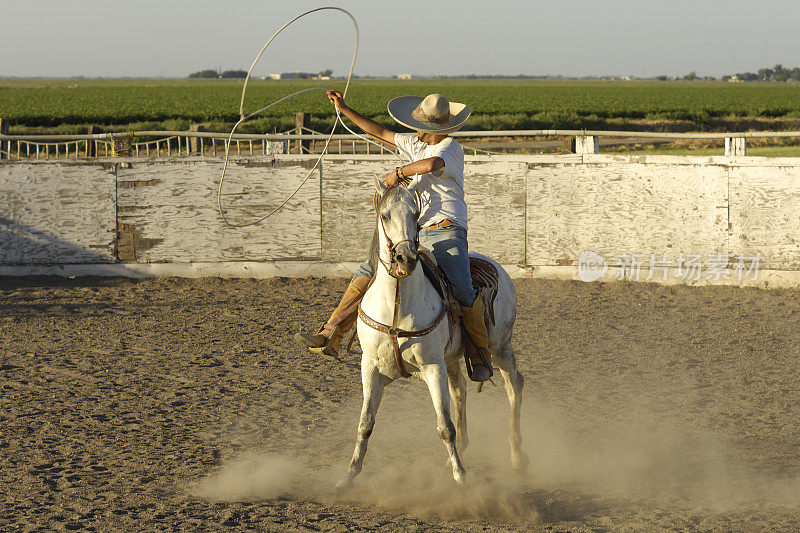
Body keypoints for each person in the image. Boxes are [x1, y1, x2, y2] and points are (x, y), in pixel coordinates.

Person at [295, 91, 492, 381]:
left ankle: (479, 353)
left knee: (462, 288)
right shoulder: (418, 144)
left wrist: (399, 172)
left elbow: (431, 166)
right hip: (414, 230)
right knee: (370, 268)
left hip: (445, 231)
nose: (414, 130)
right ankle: (331, 333)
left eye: (419, 126)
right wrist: (344, 108)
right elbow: (380, 132)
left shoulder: (449, 148)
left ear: (433, 130)